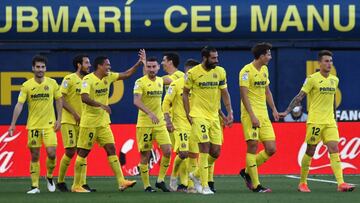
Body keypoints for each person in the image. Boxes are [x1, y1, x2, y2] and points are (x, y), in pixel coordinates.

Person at [279, 50, 355, 192]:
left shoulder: (334, 79)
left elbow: (332, 101)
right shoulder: (312, 79)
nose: (329, 64)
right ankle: (302, 183)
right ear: (319, 63)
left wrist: (335, 119)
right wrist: (287, 111)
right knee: (310, 150)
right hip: (315, 121)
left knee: (334, 149)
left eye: (331, 61)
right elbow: (300, 96)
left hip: (330, 122)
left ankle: (341, 183)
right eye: (326, 61)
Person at [71, 51, 144, 192]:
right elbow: (84, 97)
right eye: (107, 65)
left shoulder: (108, 77)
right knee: (83, 153)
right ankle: (76, 185)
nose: (109, 67)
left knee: (111, 148)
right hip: (89, 123)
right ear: (99, 66)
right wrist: (101, 105)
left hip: (103, 122)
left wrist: (138, 63)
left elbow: (126, 74)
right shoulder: (88, 80)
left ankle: (121, 181)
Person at [8, 55, 62, 194]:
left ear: (45, 68)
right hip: (33, 126)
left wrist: (59, 119)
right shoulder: (27, 85)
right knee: (35, 155)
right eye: (37, 67)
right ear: (33, 68)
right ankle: (35, 186)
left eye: (42, 67)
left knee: (51, 153)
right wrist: (13, 124)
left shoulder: (52, 83)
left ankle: (49, 176)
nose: (40, 69)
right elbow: (19, 104)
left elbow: (59, 100)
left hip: (49, 125)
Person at [183, 46, 233, 195]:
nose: (216, 60)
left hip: (214, 117)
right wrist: (188, 114)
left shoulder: (220, 72)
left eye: (217, 57)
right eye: (213, 58)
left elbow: (225, 93)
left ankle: (196, 174)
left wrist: (229, 111)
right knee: (204, 147)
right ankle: (205, 186)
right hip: (198, 115)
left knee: (216, 151)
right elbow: (185, 94)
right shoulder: (193, 73)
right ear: (205, 58)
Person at [238, 42, 279, 193]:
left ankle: (247, 171)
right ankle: (256, 185)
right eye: (268, 54)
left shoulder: (265, 70)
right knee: (253, 146)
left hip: (264, 114)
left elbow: (267, 91)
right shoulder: (246, 71)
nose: (270, 57)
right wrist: (252, 115)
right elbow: (244, 96)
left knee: (271, 148)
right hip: (251, 115)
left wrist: (274, 109)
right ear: (261, 56)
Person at [56, 54, 95, 192]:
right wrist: (73, 113)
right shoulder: (69, 79)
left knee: (83, 151)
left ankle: (82, 183)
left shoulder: (88, 80)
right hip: (69, 121)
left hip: (83, 122)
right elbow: (61, 98)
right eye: (86, 63)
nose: (89, 65)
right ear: (79, 65)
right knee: (70, 151)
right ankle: (60, 181)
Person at [133, 57, 172, 192]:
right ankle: (147, 185)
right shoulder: (140, 82)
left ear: (158, 68)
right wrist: (149, 113)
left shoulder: (161, 81)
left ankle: (160, 180)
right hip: (145, 124)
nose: (151, 69)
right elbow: (136, 101)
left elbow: (176, 81)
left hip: (159, 123)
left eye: (154, 67)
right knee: (145, 155)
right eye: (148, 67)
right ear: (146, 68)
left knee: (167, 151)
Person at [163, 59, 200, 192]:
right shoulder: (176, 84)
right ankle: (174, 176)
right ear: (187, 70)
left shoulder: (198, 85)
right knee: (183, 153)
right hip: (180, 124)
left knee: (193, 156)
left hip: (195, 124)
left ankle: (191, 185)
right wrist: (168, 121)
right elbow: (166, 103)